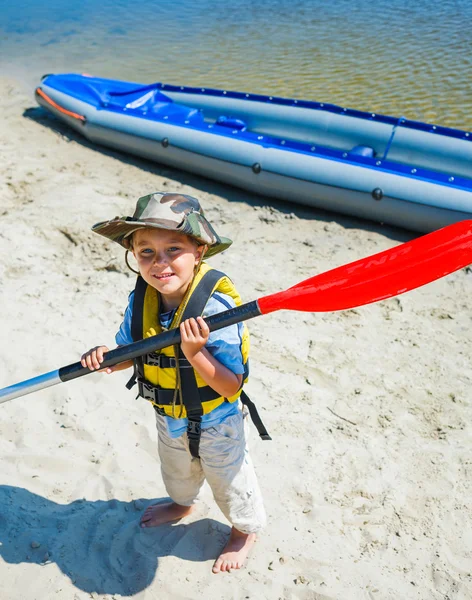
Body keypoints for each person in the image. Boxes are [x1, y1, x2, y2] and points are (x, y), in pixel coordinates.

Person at [81, 192, 268, 574]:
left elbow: (231, 386)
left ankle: (243, 531)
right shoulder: (142, 300)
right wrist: (106, 358)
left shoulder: (216, 310)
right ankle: (183, 504)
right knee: (177, 472)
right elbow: (131, 351)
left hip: (218, 421)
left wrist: (196, 352)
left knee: (231, 483)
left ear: (199, 250)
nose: (159, 262)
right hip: (168, 415)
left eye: (173, 248)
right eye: (145, 251)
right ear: (133, 254)